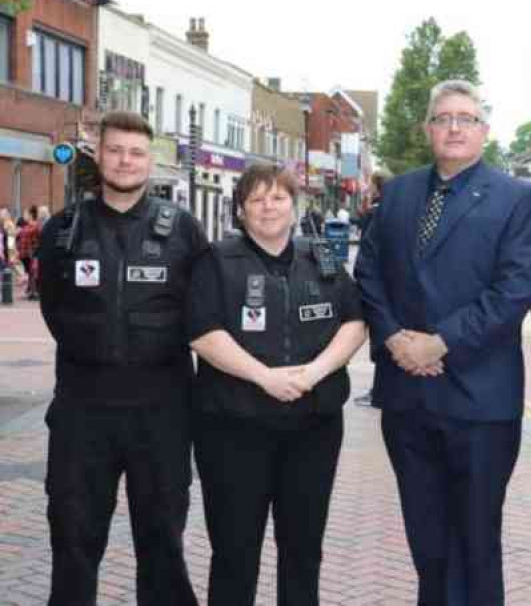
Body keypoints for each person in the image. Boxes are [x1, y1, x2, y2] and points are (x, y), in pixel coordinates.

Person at [354, 79, 531, 605]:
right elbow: (369, 273)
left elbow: (512, 292)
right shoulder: (398, 194)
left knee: (476, 542)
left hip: (479, 401)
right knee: (427, 542)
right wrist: (393, 339)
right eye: (443, 118)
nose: (454, 127)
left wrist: (437, 344)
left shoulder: (519, 199)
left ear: (484, 130)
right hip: (407, 398)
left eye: (466, 118)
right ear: (428, 128)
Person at [36, 111, 205, 606]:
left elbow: (203, 315)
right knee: (72, 540)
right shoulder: (62, 231)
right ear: (98, 153)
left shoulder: (184, 231)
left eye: (135, 152)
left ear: (149, 160)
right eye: (115, 150)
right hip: (81, 413)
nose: (125, 161)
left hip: (162, 413)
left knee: (162, 542)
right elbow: (53, 309)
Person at [187, 163, 366, 605]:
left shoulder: (322, 258)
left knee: (304, 550)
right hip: (234, 429)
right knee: (234, 551)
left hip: (313, 428)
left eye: (278, 197)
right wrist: (263, 377)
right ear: (241, 210)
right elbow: (203, 332)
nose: (268, 207)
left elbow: (355, 321)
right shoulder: (216, 262)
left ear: (294, 204)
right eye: (257, 199)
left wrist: (314, 373)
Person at [354, 168, 391, 407]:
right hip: (390, 283)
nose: (367, 187)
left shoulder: (377, 212)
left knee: (381, 341)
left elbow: (367, 252)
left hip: (379, 284)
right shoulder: (395, 208)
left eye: (370, 184)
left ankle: (379, 391)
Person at [17, 205, 41, 299]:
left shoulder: (35, 226)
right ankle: (31, 290)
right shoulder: (27, 226)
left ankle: (34, 291)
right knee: (30, 272)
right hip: (25, 254)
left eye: (25, 214)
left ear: (31, 215)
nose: (24, 216)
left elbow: (38, 239)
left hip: (32, 253)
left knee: (33, 272)